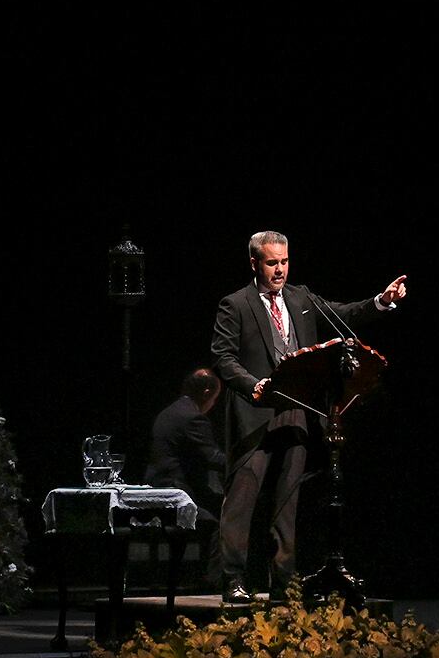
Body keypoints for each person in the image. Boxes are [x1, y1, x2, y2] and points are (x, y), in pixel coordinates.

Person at [210, 230, 407, 606]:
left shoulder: (301, 298)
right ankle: (233, 579)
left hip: (297, 416)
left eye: (284, 261)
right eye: (272, 263)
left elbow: (343, 314)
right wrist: (253, 385)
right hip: (255, 418)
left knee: (287, 504)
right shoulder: (235, 304)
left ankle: (284, 583)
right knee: (242, 501)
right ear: (255, 263)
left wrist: (381, 301)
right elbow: (223, 358)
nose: (280, 270)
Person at [143, 367, 227, 522]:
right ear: (207, 393)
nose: (213, 404)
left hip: (158, 485)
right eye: (214, 399)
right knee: (226, 518)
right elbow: (213, 458)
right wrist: (240, 463)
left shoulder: (168, 412)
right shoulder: (193, 418)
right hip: (177, 490)